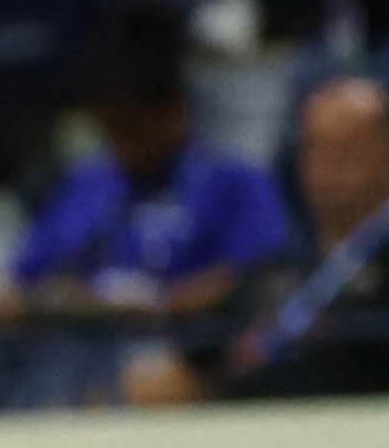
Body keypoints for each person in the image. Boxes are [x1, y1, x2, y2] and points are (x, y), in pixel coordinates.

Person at [0, 0, 294, 332]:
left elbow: (263, 281)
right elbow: (7, 297)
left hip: (185, 360)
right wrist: (67, 303)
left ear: (174, 111)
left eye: (132, 129)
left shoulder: (235, 184)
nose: (122, 148)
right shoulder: (83, 184)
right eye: (110, 131)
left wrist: (162, 304)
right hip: (74, 360)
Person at [135, 77, 389, 406]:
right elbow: (200, 354)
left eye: (347, 149)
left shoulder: (377, 256)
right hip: (258, 432)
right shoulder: (277, 267)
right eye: (316, 148)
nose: (330, 167)